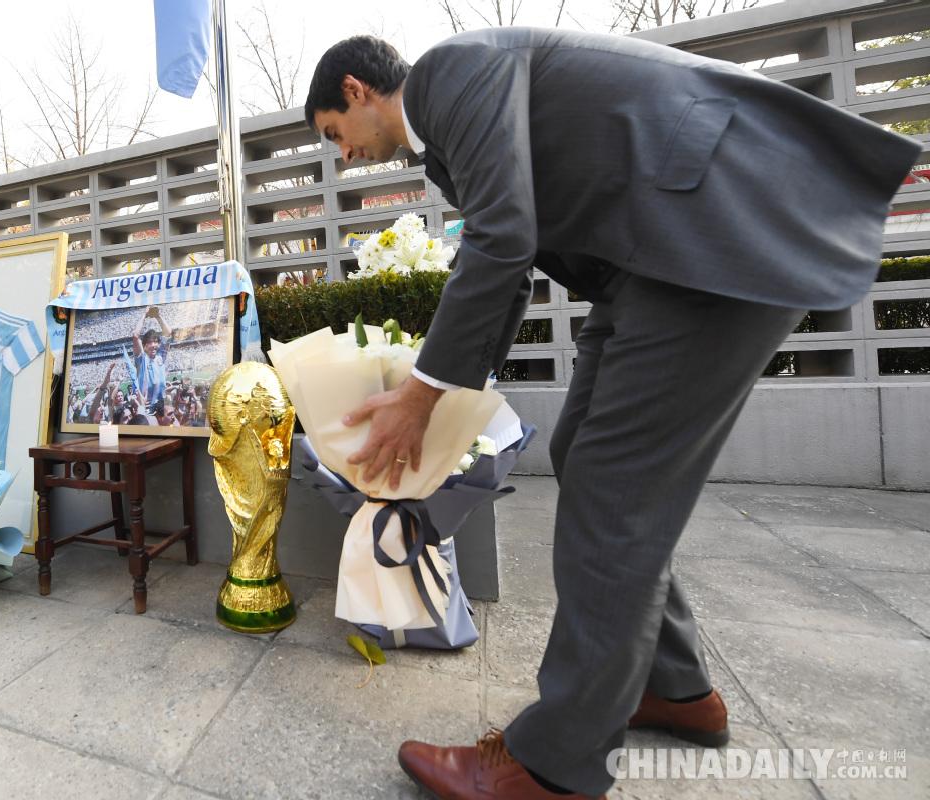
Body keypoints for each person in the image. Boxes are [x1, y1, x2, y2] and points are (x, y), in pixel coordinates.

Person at [304, 29, 918, 800]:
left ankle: (553, 764)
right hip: (657, 261)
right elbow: (506, 260)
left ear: (357, 90)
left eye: (335, 134)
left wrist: (423, 395)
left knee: (613, 489)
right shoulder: (447, 139)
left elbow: (503, 236)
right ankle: (672, 686)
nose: (343, 155)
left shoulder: (449, 75)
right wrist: (452, 400)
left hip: (712, 227)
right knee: (584, 458)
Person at [132, 306, 173, 410]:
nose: (153, 345)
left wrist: (158, 316)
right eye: (150, 342)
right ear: (144, 346)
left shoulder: (160, 357)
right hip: (147, 407)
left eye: (155, 341)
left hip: (161, 404)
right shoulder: (141, 359)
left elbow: (168, 332)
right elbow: (135, 335)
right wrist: (144, 315)